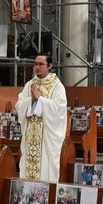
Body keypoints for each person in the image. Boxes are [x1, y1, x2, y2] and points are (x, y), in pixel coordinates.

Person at [16, 53, 68, 182]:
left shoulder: (57, 86)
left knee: (45, 168)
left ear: (49, 66)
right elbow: (19, 105)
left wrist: (40, 99)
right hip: (31, 136)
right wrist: (31, 101)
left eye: (41, 64)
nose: (37, 67)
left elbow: (59, 109)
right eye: (35, 64)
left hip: (46, 138)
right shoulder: (29, 85)